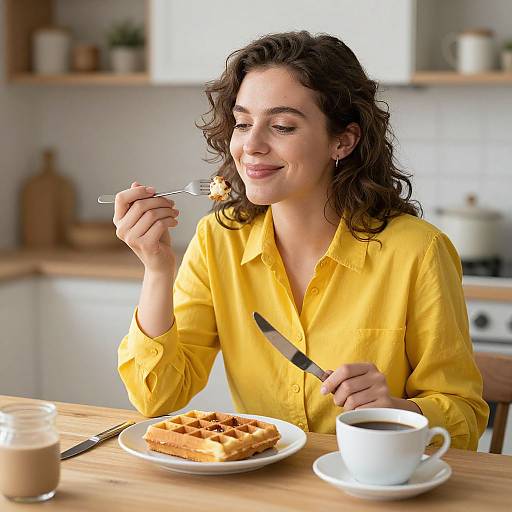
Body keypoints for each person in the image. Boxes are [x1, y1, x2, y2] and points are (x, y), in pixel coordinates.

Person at [115, 31, 488, 449]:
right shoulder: (218, 239)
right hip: (264, 484)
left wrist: (398, 409)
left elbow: (465, 416)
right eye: (242, 123)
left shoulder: (418, 251)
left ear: (342, 141)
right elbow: (156, 397)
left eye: (281, 126)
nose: (251, 146)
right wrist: (157, 270)